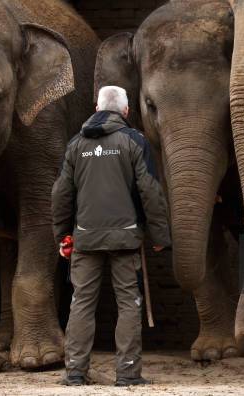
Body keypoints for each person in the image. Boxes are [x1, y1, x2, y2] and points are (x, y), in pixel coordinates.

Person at [52, 86, 171, 386]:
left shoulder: (76, 144)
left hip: (86, 237)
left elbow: (61, 194)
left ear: (96, 108)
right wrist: (159, 234)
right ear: (126, 111)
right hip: (126, 238)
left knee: (81, 302)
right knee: (128, 302)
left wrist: (63, 235)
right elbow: (151, 192)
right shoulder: (134, 141)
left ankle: (75, 372)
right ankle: (128, 373)